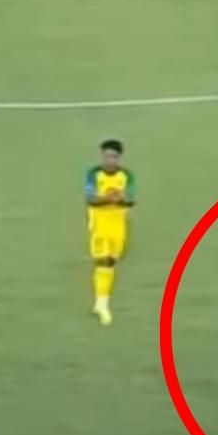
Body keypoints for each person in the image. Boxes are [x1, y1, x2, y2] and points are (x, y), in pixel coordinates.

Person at [84, 139, 135, 325]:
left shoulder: (126, 175)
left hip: (118, 222)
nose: (109, 160)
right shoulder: (93, 174)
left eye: (113, 156)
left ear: (119, 157)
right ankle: (101, 303)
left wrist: (114, 199)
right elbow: (91, 199)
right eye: (106, 156)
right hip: (99, 222)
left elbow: (129, 199)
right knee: (103, 260)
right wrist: (112, 197)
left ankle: (101, 301)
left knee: (112, 261)